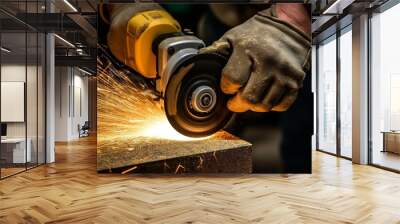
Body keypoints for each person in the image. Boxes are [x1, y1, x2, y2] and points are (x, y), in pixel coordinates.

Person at [100, 3, 312, 173]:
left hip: (284, 31)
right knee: (221, 136)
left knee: (301, 131)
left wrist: (292, 20)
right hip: (223, 21)